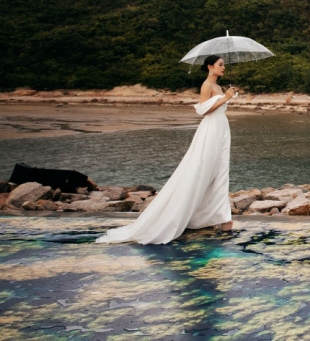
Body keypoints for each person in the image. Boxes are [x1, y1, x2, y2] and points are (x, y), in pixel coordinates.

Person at [96, 55, 239, 245]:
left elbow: (217, 107)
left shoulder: (219, 87)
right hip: (210, 130)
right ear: (210, 67)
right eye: (220, 65)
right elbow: (203, 111)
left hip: (221, 128)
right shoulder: (206, 85)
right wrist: (226, 99)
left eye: (224, 65)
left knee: (219, 173)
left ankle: (215, 216)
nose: (224, 67)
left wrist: (227, 96)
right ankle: (214, 217)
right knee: (202, 170)